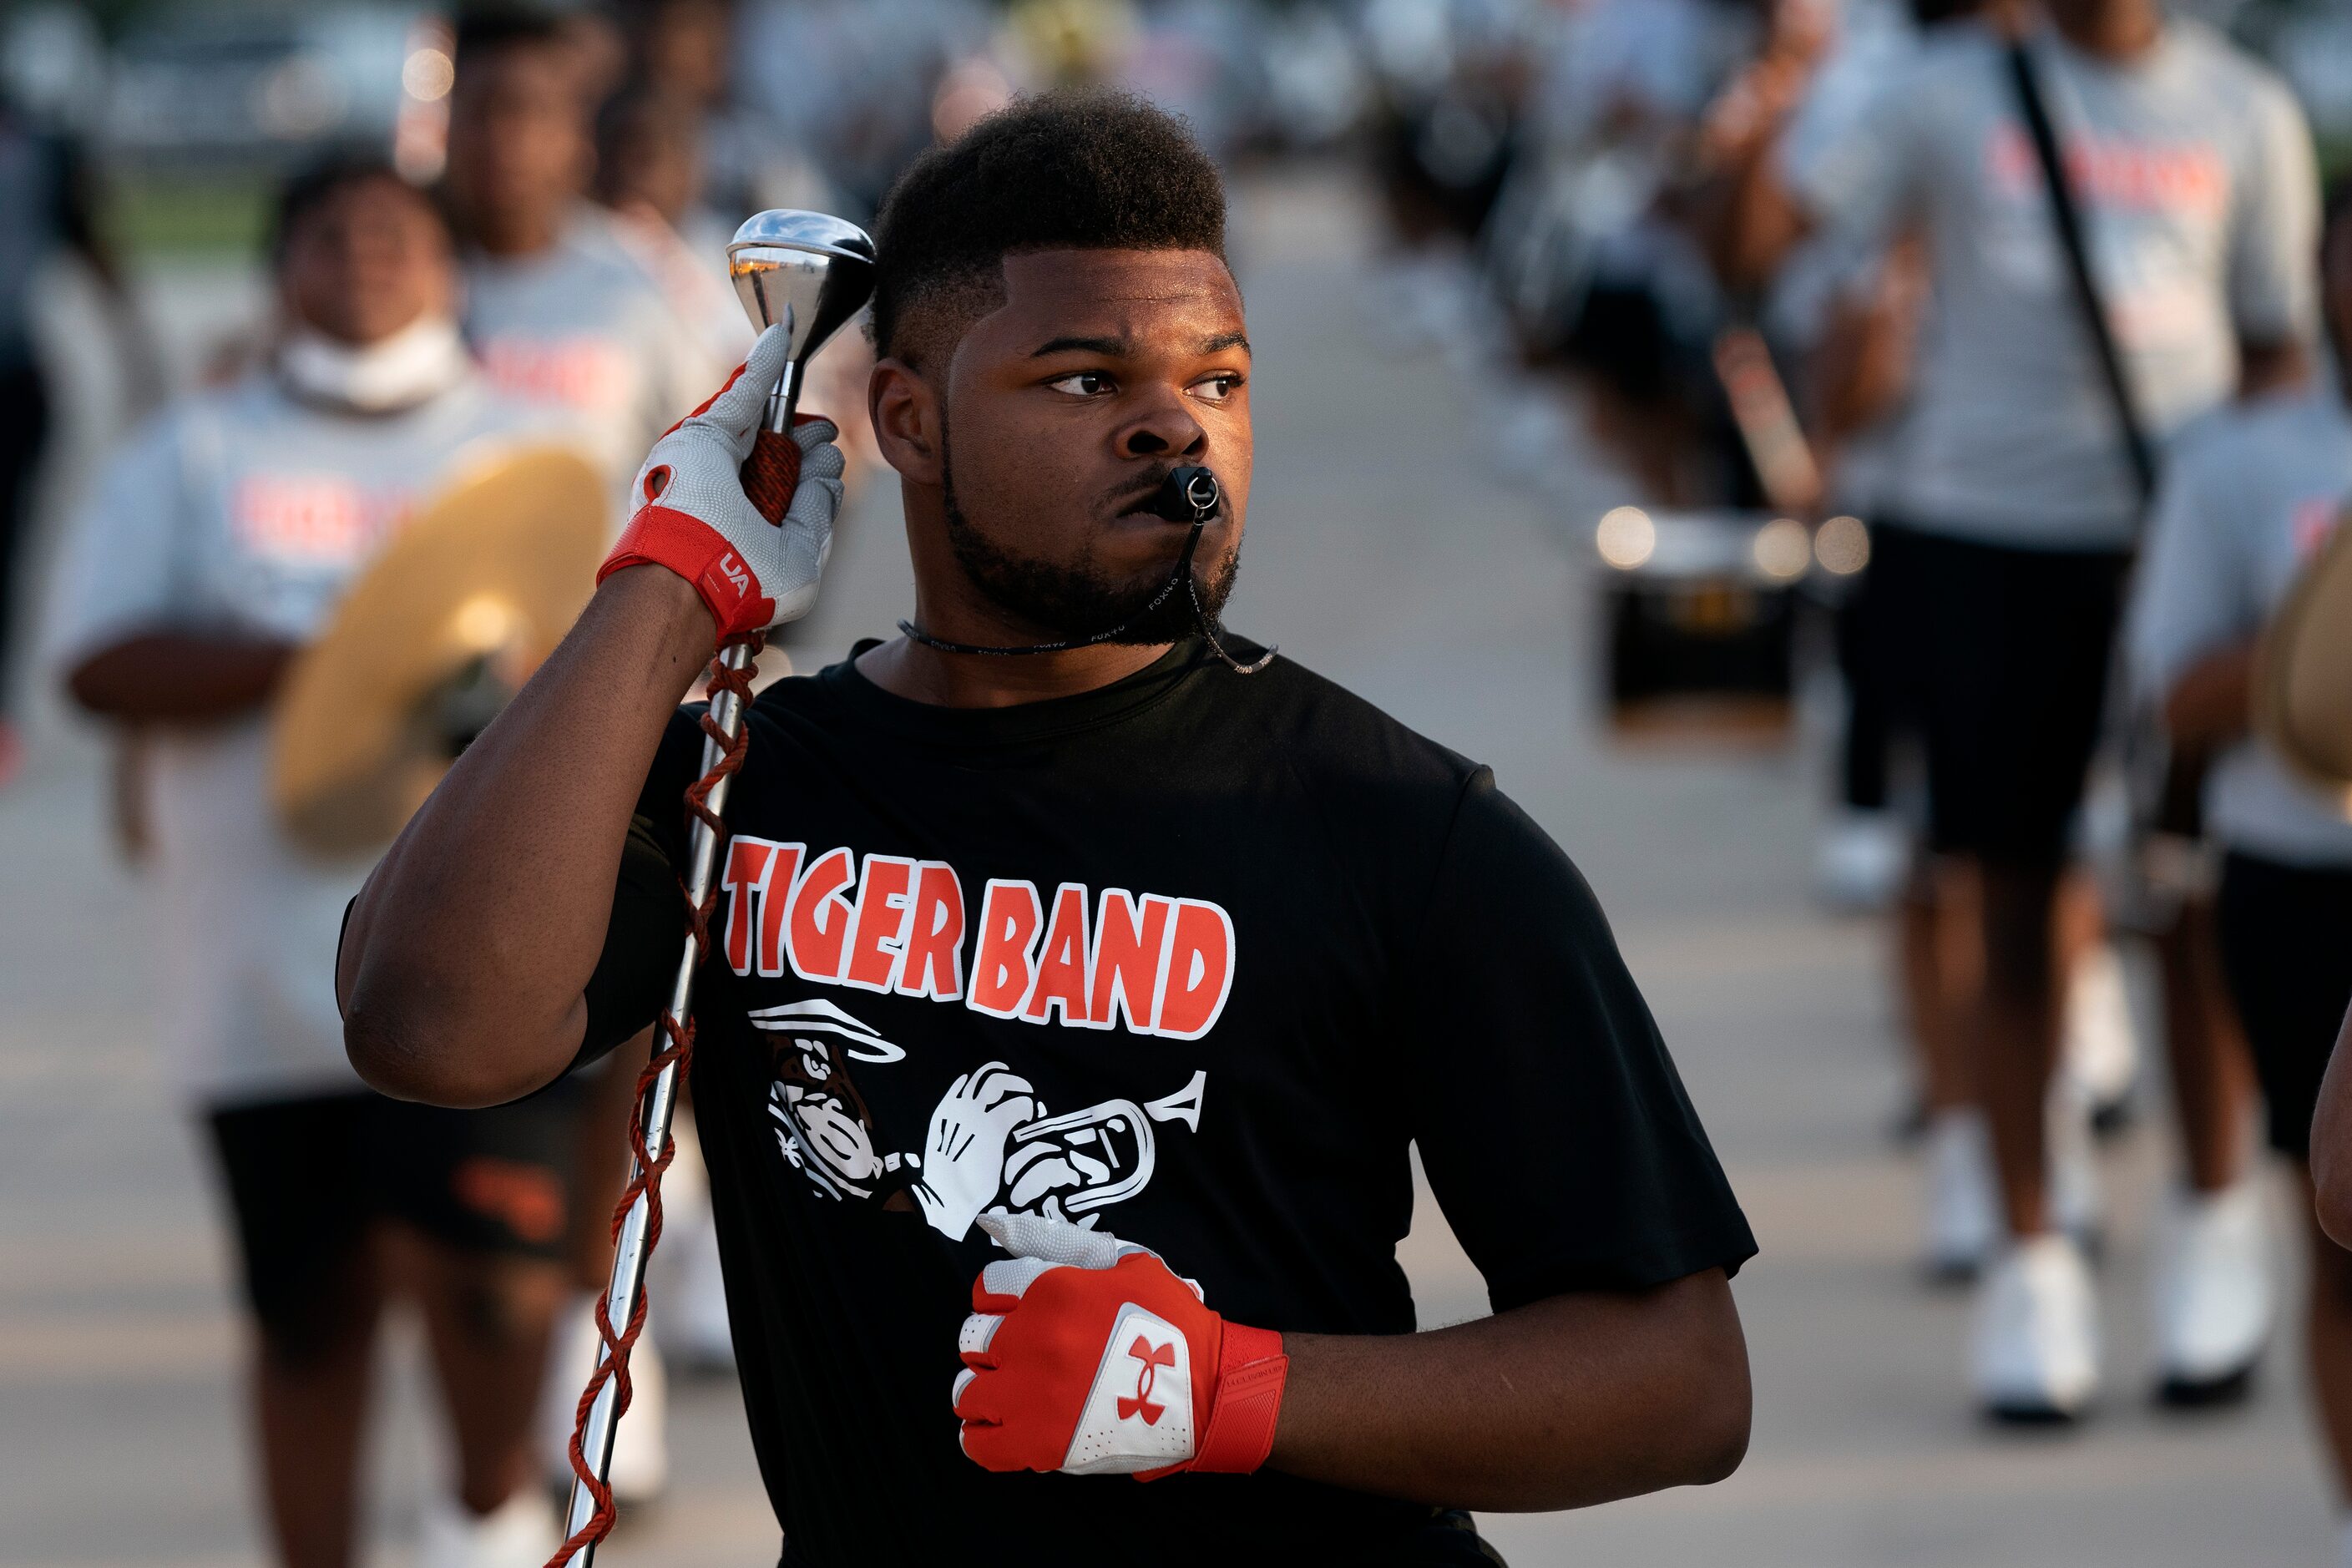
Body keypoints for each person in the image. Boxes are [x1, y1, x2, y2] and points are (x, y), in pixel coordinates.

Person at [339, 93, 1757, 1565]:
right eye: (1081, 380)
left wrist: (1230, 1389)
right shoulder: (754, 780)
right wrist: (664, 581)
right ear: (904, 421)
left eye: (1217, 378)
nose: (1170, 420)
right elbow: (431, 1024)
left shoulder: (1399, 826)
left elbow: (1678, 1377)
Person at [1702, 0, 2318, 1419]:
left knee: (2189, 896)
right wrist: (1779, 88)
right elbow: (1757, 249)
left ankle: (2210, 1218)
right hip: (1983, 536)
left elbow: (2276, 351)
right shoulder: (1939, 95)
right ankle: (2028, 1257)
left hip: (2177, 541)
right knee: (2008, 884)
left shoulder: (2244, 111)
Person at [43, 156, 587, 1568]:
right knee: (309, 1309)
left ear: (451, 266)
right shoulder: (193, 453)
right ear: (279, 268)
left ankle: (487, 1513)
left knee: (494, 1286)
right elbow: (97, 663)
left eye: (397, 234)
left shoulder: (539, 450)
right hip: (259, 976)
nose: (363, 257)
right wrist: (326, 665)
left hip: (480, 958)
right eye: (328, 234)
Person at [2145, 180, 2352, 1553]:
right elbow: (2174, 690)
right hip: (2298, 876)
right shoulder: (2238, 462)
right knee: (2336, 1226)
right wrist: (2316, 645)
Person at [443, 8, 719, 495]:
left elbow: (710, 457)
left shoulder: (647, 273)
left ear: (577, 135)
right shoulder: (397, 274)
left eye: (528, 111)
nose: (502, 137)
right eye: (480, 109)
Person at [0, 87, 146, 787]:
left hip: (12, 378)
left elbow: (89, 242)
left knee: (6, 556)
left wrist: (135, 351)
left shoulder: (38, 144)